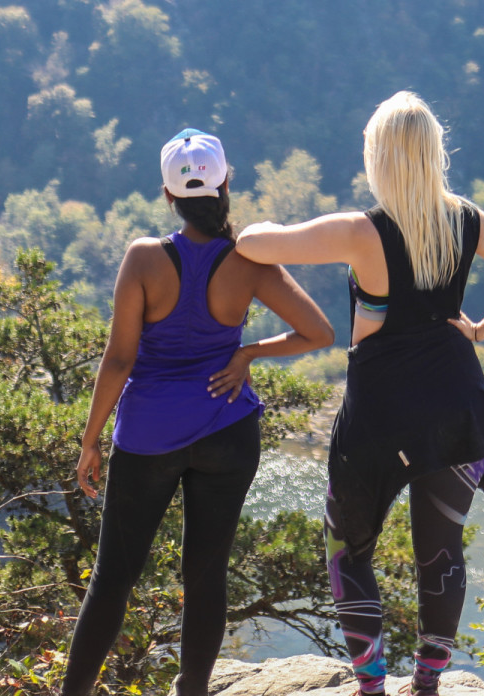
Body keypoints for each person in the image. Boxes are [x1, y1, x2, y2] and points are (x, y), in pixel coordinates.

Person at [236, 92, 484, 696]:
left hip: (380, 414)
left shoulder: (362, 232)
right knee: (442, 547)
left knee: (346, 548)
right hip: (459, 405)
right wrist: (480, 328)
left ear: (378, 158)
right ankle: (429, 682)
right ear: (435, 156)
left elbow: (254, 243)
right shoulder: (466, 220)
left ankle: (371, 685)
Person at [64, 129, 334, 696]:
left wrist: (90, 441)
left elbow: (119, 359)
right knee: (205, 576)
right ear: (226, 184)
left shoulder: (143, 258)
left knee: (114, 577)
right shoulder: (250, 260)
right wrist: (250, 351)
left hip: (147, 437)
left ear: (168, 196)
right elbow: (319, 332)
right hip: (228, 432)